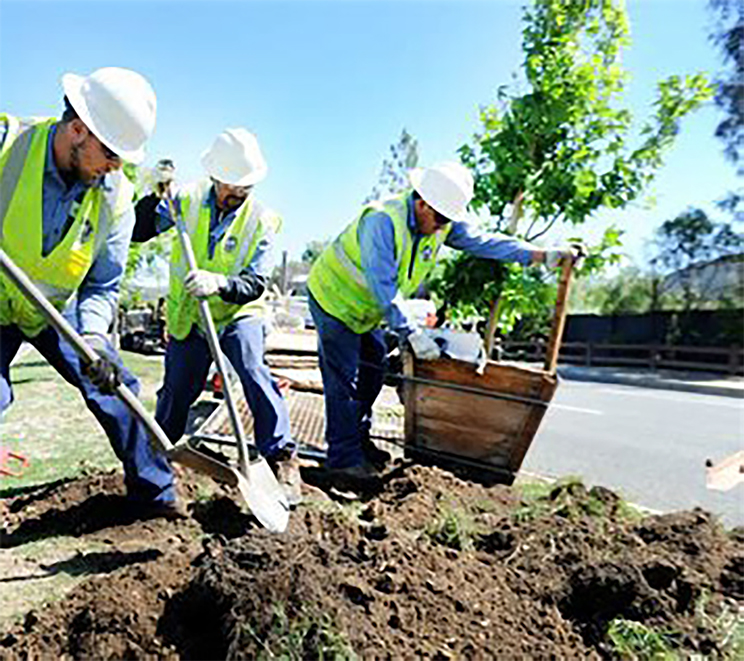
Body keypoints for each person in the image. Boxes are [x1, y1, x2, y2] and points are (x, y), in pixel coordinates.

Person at [307, 161, 582, 485]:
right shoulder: (382, 221)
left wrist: (539, 255)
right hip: (334, 300)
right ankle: (343, 460)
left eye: (448, 220)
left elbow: (485, 242)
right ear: (421, 201)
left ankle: (358, 441)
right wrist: (412, 333)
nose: (442, 227)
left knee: (372, 375)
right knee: (345, 382)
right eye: (438, 218)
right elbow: (384, 286)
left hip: (366, 312)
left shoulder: (442, 221)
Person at [0, 67, 179, 518]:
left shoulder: (116, 197)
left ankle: (155, 497)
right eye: (112, 153)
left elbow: (102, 283)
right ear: (78, 129)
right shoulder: (6, 143)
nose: (116, 167)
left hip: (52, 312)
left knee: (120, 389)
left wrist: (96, 340)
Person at [132, 128, 301, 505]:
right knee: (177, 389)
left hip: (239, 310)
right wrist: (154, 195)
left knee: (251, 364)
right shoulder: (184, 199)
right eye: (232, 186)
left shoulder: (263, 220)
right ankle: (158, 457)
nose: (237, 195)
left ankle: (282, 458)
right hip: (190, 314)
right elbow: (137, 232)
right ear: (215, 176)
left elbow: (255, 283)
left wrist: (220, 282)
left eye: (245, 188)